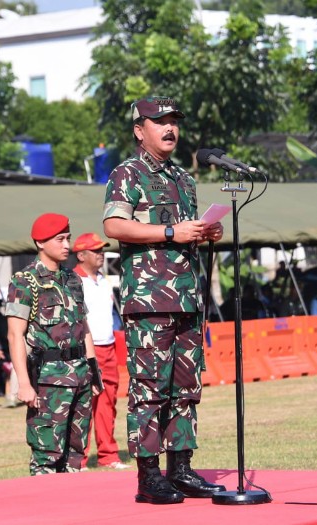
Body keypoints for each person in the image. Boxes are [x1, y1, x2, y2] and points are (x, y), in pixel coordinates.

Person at [103, 95, 226, 504]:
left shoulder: (184, 178)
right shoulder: (128, 173)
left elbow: (185, 231)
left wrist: (205, 232)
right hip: (150, 301)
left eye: (174, 121)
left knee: (185, 387)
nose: (170, 128)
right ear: (140, 131)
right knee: (149, 389)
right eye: (160, 122)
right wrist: (172, 232)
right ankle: (149, 477)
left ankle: (181, 470)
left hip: (188, 298)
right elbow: (113, 225)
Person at [5, 213, 103, 475]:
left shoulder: (73, 279)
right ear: (40, 242)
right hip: (49, 381)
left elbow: (83, 327)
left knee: (76, 454)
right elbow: (15, 334)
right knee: (47, 456)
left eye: (68, 238)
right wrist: (24, 384)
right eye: (60, 239)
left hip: (81, 375)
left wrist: (93, 371)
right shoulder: (25, 281)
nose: (67, 245)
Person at [72, 232, 130, 470]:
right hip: (86, 349)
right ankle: (80, 458)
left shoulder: (104, 280)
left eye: (101, 250)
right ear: (81, 255)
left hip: (108, 346)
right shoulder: (74, 281)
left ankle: (108, 455)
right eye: (95, 251)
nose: (101, 254)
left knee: (108, 402)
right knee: (84, 403)